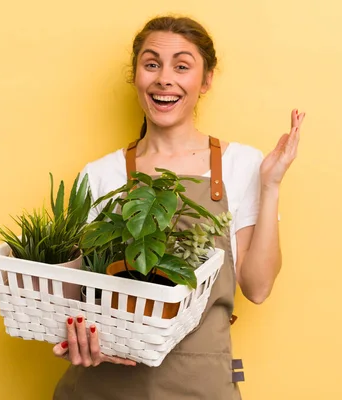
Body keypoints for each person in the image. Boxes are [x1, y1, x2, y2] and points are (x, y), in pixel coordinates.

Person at [52, 15, 305, 399]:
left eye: (181, 66)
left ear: (205, 81)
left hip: (201, 386)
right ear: (135, 75)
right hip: (102, 387)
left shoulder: (241, 166)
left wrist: (270, 185)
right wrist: (71, 337)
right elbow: (69, 301)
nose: (164, 78)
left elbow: (257, 287)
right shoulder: (99, 176)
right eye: (151, 64)